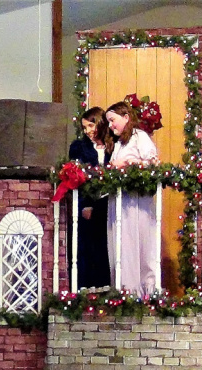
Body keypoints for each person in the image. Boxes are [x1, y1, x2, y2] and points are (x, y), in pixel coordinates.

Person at [105, 101, 159, 296]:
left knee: (139, 243)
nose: (111, 125)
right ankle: (123, 289)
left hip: (136, 202)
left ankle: (143, 291)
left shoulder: (139, 137)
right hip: (120, 202)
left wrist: (128, 163)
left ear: (126, 117)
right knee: (121, 245)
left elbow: (153, 163)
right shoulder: (119, 143)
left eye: (113, 120)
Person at [68, 106, 113, 288]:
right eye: (84, 127)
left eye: (90, 126)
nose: (87, 131)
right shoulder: (79, 147)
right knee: (91, 245)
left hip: (110, 201)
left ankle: (109, 286)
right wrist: (85, 205)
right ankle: (89, 287)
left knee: (108, 245)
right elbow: (78, 178)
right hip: (90, 202)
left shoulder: (114, 144)